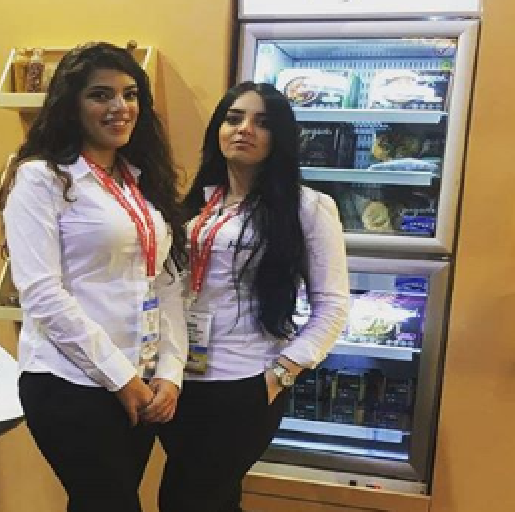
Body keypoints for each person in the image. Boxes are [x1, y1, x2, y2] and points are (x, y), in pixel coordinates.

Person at [0, 42, 188, 512]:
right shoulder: (40, 179)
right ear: (71, 104)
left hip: (142, 378)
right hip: (70, 381)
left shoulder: (139, 180)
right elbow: (42, 294)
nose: (120, 107)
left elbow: (164, 281)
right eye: (101, 95)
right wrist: (122, 379)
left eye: (130, 94)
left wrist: (170, 372)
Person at [157, 81, 350, 512]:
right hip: (181, 380)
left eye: (262, 123)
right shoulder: (199, 203)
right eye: (234, 118)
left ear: (280, 137)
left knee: (186, 501)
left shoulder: (308, 207)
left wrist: (281, 375)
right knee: (211, 500)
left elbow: (333, 306)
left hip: (246, 383)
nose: (244, 129)